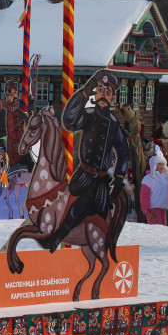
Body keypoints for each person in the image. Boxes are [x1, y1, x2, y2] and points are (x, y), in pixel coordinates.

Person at [44, 70, 129, 251]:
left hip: (100, 181)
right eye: (100, 90)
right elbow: (68, 121)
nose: (103, 95)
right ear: (94, 93)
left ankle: (67, 240)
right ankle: (56, 235)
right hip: (83, 174)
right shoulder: (88, 114)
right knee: (67, 203)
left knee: (89, 211)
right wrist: (83, 93)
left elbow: (123, 151)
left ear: (112, 98)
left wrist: (119, 177)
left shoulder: (114, 124)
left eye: (108, 92)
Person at [141, 147, 168, 226]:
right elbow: (144, 194)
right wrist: (145, 206)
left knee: (162, 227)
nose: (162, 166)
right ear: (154, 165)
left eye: (163, 164)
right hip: (152, 208)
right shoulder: (149, 179)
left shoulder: (166, 179)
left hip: (162, 207)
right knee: (156, 227)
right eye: (159, 164)